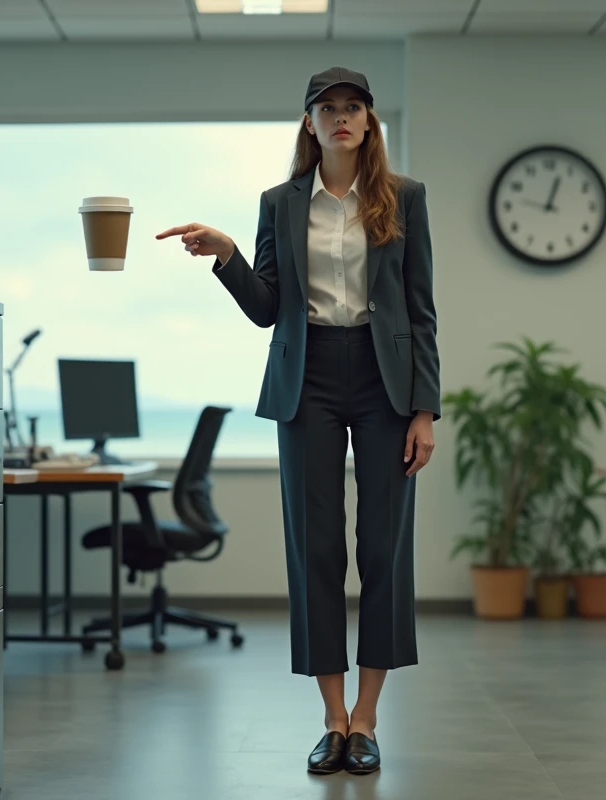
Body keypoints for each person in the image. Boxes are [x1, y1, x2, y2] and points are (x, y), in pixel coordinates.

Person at [156, 66, 440, 776]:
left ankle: (369, 720)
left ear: (369, 121)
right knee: (314, 550)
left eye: (353, 108)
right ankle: (333, 719)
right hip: (306, 377)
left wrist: (425, 409)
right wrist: (225, 255)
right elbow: (265, 306)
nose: (340, 118)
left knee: (383, 547)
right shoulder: (278, 204)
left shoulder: (405, 198)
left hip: (386, 382)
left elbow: (422, 310)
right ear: (309, 123)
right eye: (327, 109)